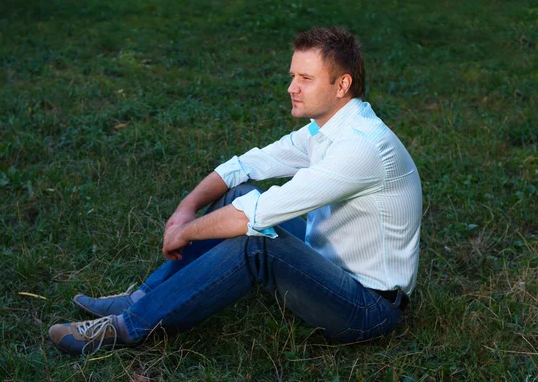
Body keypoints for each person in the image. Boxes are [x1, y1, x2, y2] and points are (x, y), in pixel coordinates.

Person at [48, 26, 422, 356]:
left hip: (368, 308)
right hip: (326, 262)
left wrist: (184, 232)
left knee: (256, 239)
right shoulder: (327, 128)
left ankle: (127, 326)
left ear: (342, 85)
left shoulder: (361, 147)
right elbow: (247, 165)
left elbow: (253, 216)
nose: (291, 87)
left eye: (305, 78)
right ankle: (143, 296)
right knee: (237, 192)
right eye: (293, 75)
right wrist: (187, 207)